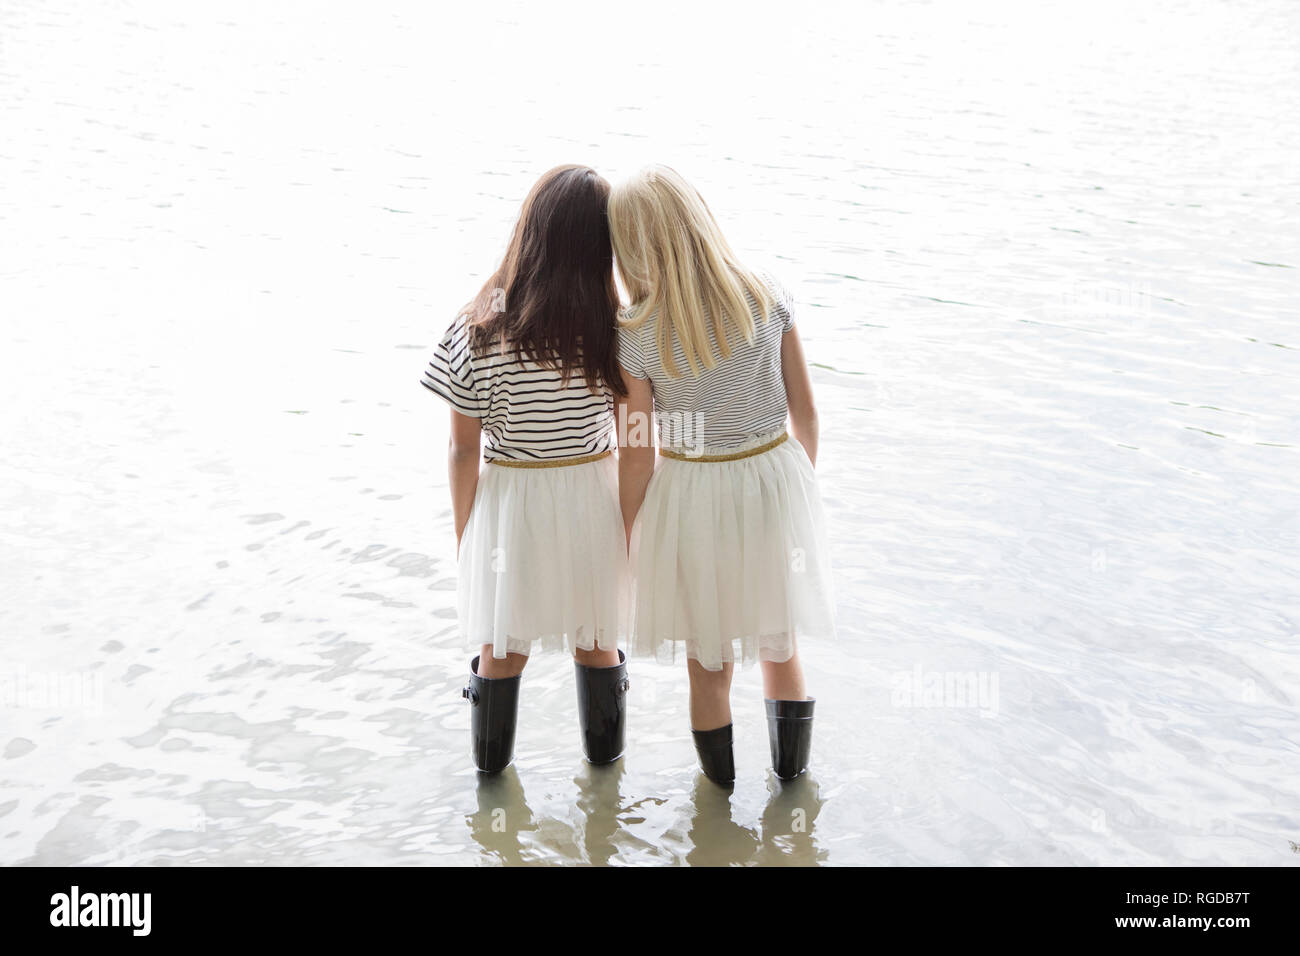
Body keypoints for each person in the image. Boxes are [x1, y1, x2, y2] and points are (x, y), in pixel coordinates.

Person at [609, 165, 835, 784]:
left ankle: (719, 810)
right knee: (779, 643)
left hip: (693, 495)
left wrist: (633, 532)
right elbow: (806, 412)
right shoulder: (766, 293)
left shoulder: (635, 334)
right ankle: (791, 793)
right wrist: (796, 487)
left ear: (629, 248)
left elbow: (637, 449)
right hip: (771, 480)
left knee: (707, 665)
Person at [420, 165, 630, 773]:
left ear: (528, 231)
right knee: (597, 642)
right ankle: (605, 795)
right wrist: (635, 518)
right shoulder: (614, 328)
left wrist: (465, 533)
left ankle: (490, 791)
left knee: (502, 647)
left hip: (511, 502)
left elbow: (462, 449)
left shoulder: (478, 327)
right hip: (594, 493)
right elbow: (634, 430)